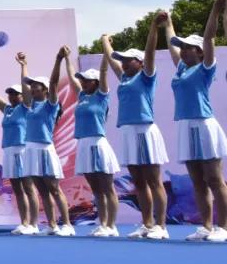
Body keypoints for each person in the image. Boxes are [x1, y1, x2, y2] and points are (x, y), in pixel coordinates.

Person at [166, 0, 227, 242]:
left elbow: (210, 37)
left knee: (214, 178)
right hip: (185, 126)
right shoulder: (181, 68)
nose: (183, 51)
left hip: (204, 125)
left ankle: (223, 227)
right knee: (197, 181)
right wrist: (168, 23)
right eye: (182, 48)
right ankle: (206, 227)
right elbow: (172, 44)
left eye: (188, 48)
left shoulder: (205, 68)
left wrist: (216, 8)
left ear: (200, 52)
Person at [103, 16, 171, 240]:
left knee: (153, 180)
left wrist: (153, 27)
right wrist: (105, 41)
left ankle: (161, 226)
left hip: (144, 130)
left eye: (128, 60)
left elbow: (150, 52)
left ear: (140, 63)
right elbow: (111, 59)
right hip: (127, 131)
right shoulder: (124, 79)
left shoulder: (146, 77)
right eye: (123, 60)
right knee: (138, 181)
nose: (123, 63)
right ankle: (147, 223)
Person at [63, 50, 120, 237]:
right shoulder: (82, 97)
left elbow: (104, 72)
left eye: (87, 80)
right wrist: (66, 58)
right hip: (83, 144)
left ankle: (111, 225)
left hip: (97, 143)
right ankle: (102, 224)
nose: (84, 83)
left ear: (96, 82)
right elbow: (72, 78)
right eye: (83, 80)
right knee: (96, 189)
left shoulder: (102, 96)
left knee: (107, 187)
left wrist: (106, 52)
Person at [21, 49, 75, 237]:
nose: (32, 88)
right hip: (31, 149)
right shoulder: (30, 105)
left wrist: (58, 59)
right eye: (32, 86)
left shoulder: (51, 104)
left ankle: (67, 224)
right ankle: (52, 225)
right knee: (42, 190)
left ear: (45, 89)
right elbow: (24, 86)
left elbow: (53, 82)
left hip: (45, 148)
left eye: (36, 86)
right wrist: (23, 65)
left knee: (54, 188)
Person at [0, 70, 39, 235]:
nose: (12, 97)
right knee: (17, 189)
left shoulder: (26, 107)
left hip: (22, 149)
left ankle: (34, 224)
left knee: (28, 187)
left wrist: (22, 67)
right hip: (8, 151)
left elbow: (26, 89)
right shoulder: (7, 110)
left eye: (15, 94)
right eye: (10, 94)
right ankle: (24, 222)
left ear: (23, 96)